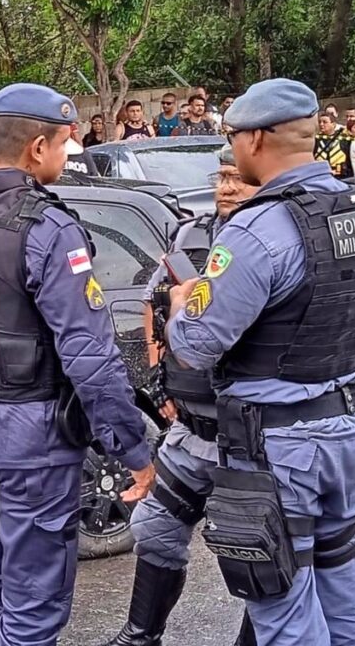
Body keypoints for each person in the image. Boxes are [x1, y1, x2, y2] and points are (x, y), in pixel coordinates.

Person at [0, 82, 154, 646]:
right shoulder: (47, 228)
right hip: (32, 444)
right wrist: (133, 450)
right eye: (65, 144)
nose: (68, 156)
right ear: (38, 147)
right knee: (32, 604)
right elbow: (90, 356)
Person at [167, 78, 355, 646]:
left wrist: (180, 306)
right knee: (347, 599)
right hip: (349, 431)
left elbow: (195, 346)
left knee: (285, 617)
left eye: (232, 138)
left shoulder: (256, 229)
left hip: (278, 450)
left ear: (253, 139)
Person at [101, 144, 258, 646]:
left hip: (256, 439)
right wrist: (160, 379)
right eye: (221, 177)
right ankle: (139, 636)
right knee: (156, 528)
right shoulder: (191, 235)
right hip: (191, 432)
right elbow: (155, 304)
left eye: (237, 178)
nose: (226, 188)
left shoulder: (280, 241)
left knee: (259, 551)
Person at [315, 112, 352, 178]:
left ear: (333, 124)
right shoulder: (316, 139)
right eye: (319, 122)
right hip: (320, 175)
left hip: (340, 176)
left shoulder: (343, 139)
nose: (321, 124)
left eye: (325, 122)